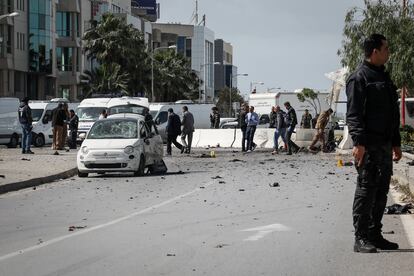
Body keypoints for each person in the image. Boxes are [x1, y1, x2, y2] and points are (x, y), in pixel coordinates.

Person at [346, 34, 402, 253]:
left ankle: (374, 234)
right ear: (375, 51)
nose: (389, 52)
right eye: (386, 48)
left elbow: (392, 114)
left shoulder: (384, 78)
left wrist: (396, 142)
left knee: (381, 191)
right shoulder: (359, 78)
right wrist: (359, 143)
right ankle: (360, 238)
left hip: (385, 144)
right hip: (368, 145)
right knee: (366, 190)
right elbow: (354, 114)